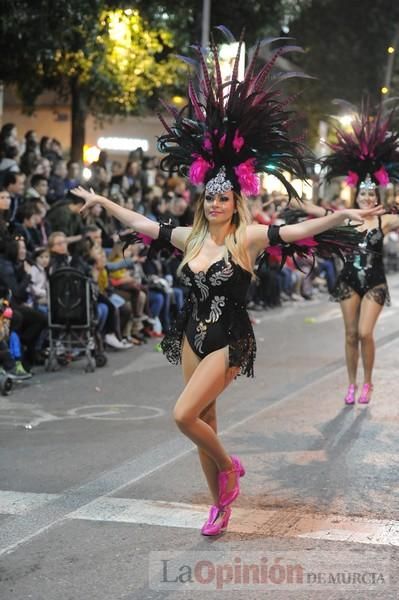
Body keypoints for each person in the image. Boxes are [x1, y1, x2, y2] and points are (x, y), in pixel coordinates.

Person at [71, 32, 382, 536]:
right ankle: (219, 505)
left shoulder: (250, 236)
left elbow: (298, 230)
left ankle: (230, 467)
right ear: (202, 200)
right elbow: (144, 222)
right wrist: (104, 203)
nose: (214, 203)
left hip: (229, 339)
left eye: (223, 198)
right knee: (204, 424)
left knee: (182, 415)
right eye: (209, 197)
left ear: (235, 201)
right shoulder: (189, 239)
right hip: (192, 335)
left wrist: (339, 215)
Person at [320, 105, 399, 405]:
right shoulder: (346, 218)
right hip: (348, 280)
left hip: (375, 281)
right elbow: (319, 214)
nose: (367, 198)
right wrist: (297, 204)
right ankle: (351, 385)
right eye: (363, 194)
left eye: (371, 194)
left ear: (377, 198)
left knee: (366, 333)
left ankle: (369, 382)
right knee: (350, 334)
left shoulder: (384, 221)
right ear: (357, 196)